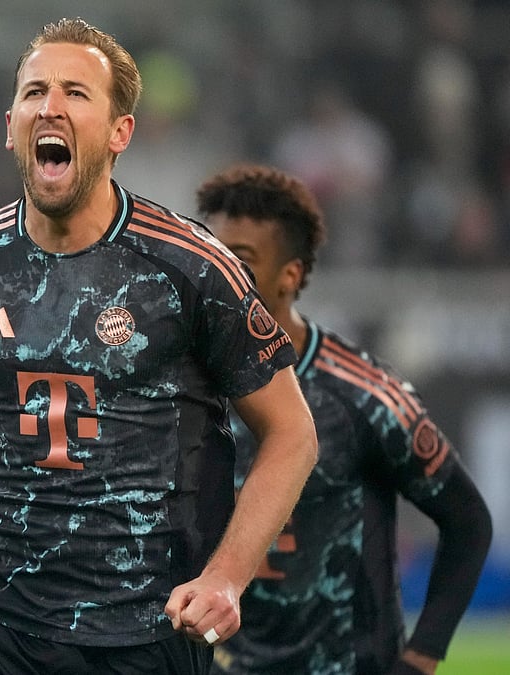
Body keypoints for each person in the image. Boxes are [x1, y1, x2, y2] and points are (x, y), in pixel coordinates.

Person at [0, 18, 318, 674]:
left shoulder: (191, 267)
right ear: (10, 127)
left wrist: (227, 577)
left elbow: (291, 433)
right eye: (34, 92)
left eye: (75, 92)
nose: (50, 106)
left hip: (150, 622)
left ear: (120, 133)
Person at [195, 164, 493, 675]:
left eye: (239, 261)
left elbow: (468, 522)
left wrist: (420, 659)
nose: (219, 275)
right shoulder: (183, 387)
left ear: (290, 275)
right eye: (211, 256)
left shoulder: (363, 395)